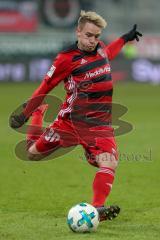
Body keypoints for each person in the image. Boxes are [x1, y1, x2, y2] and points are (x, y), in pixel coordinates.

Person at [10, 10, 142, 222]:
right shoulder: (65, 59)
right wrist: (24, 114)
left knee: (109, 163)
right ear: (78, 32)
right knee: (32, 154)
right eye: (89, 35)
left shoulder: (100, 50)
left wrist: (124, 39)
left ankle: (97, 209)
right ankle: (38, 114)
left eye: (97, 36)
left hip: (99, 124)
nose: (93, 41)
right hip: (69, 123)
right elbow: (46, 86)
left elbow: (109, 52)